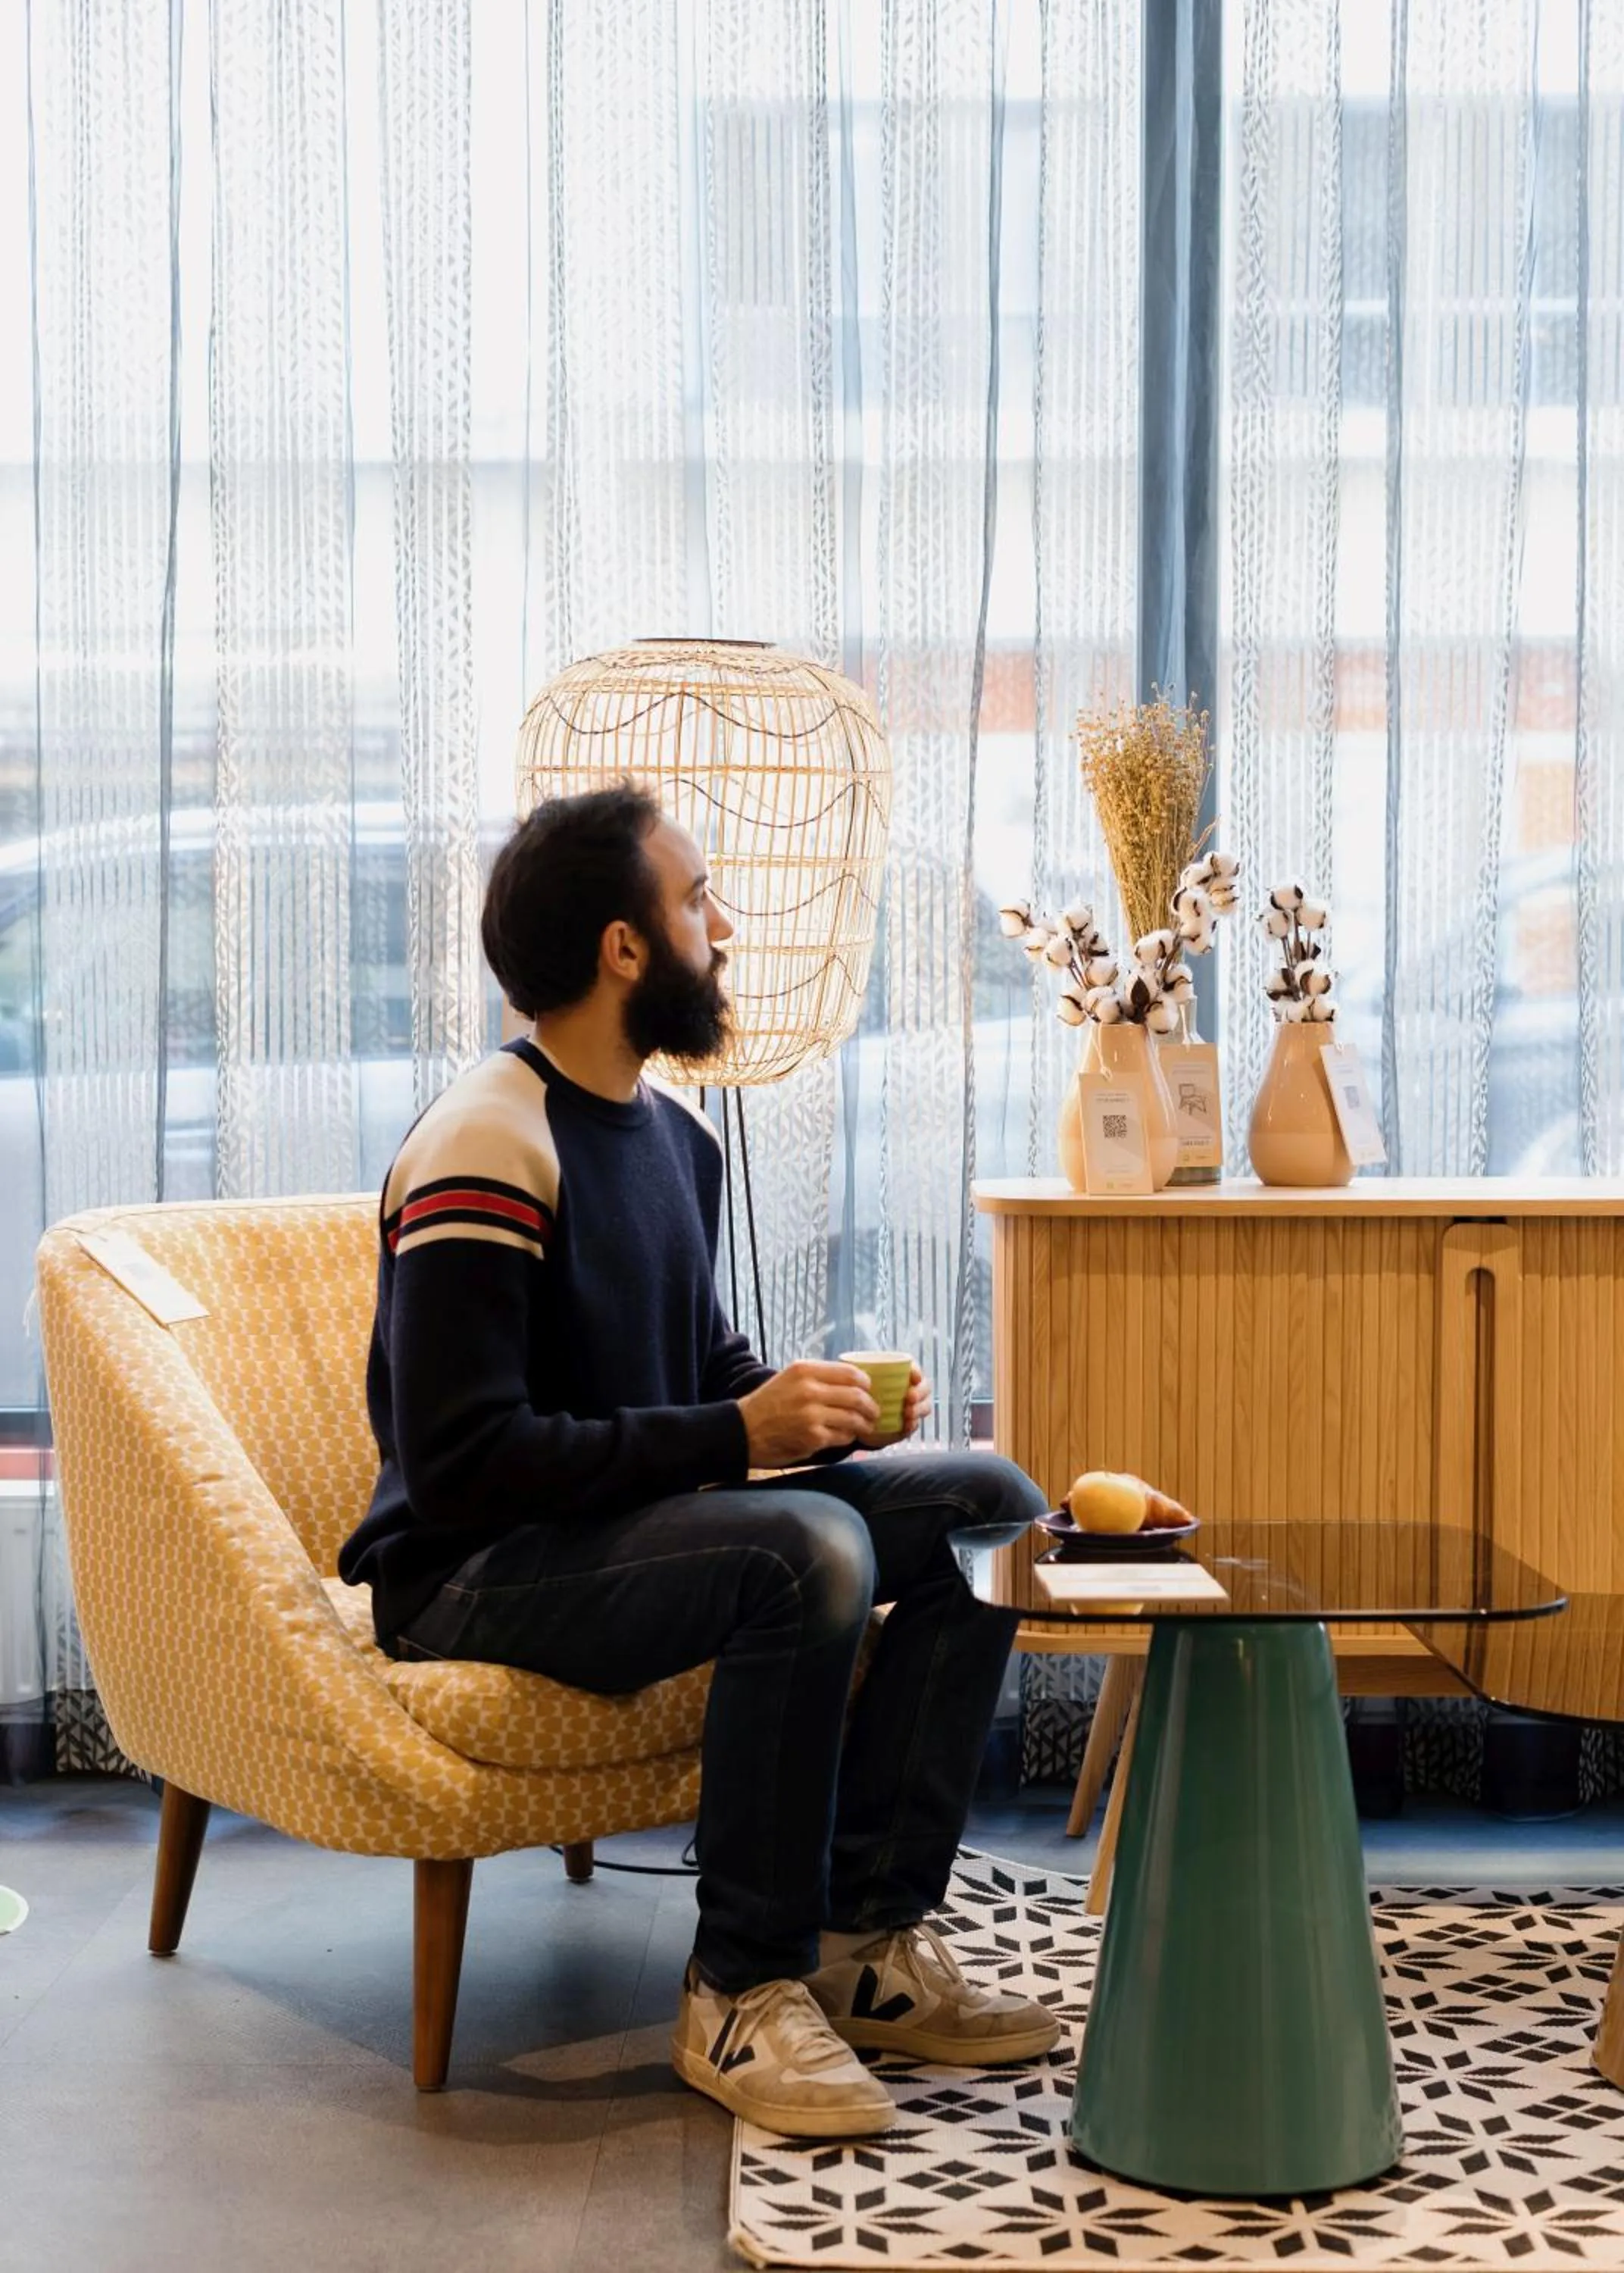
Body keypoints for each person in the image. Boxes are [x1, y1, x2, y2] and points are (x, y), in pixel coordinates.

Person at [339, 781, 1055, 2137]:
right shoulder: (486, 1140)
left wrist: (812, 1407)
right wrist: (738, 1438)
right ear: (625, 947)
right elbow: (460, 1465)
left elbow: (696, 1363)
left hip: (611, 1532)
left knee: (990, 1506)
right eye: (698, 898)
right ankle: (737, 1985)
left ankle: (862, 1941)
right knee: (807, 1549)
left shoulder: (673, 1136)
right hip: (471, 1570)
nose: (723, 928)